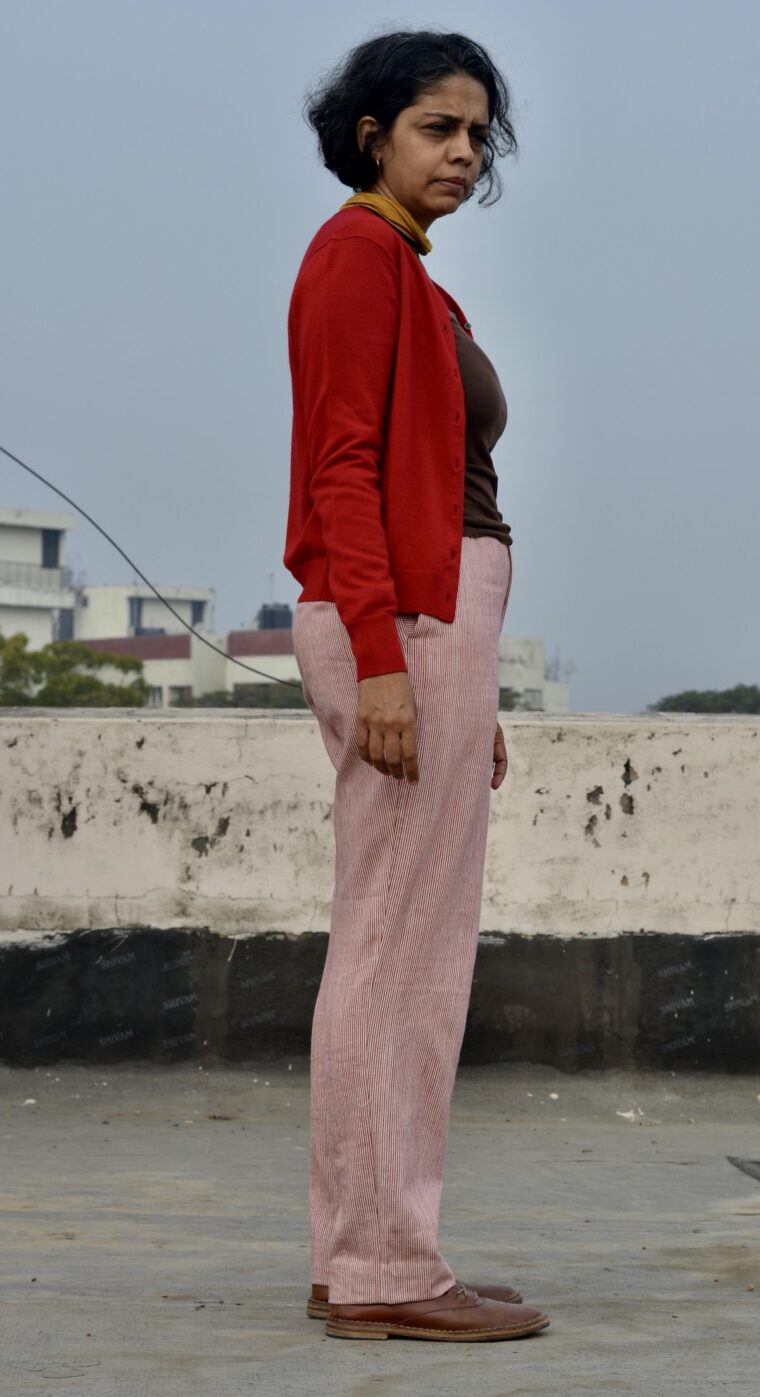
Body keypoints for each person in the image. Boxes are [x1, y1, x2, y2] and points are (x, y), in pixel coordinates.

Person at [283, 27, 550, 1343]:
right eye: (439, 126)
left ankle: (365, 1254)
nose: (463, 151)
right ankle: (389, 1264)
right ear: (373, 130)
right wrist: (391, 660)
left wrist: (467, 685)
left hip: (438, 625)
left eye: (477, 133)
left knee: (401, 940)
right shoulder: (358, 257)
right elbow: (342, 466)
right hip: (405, 618)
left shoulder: (404, 269)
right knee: (400, 954)